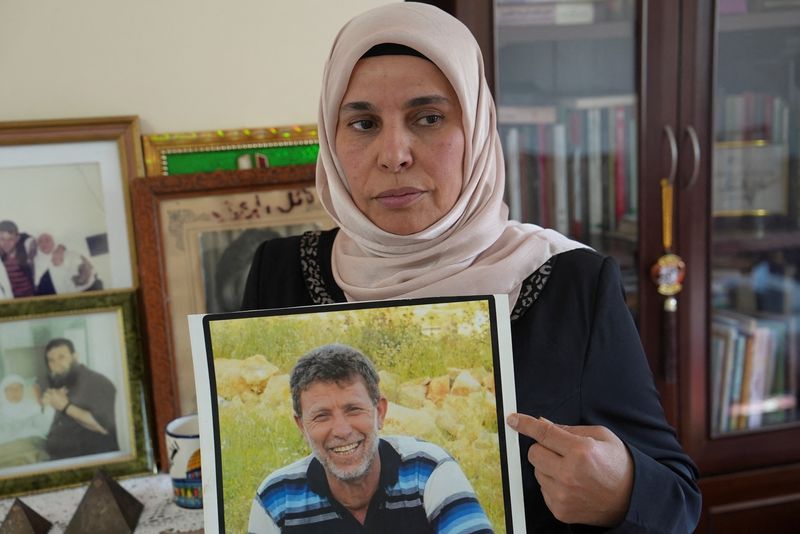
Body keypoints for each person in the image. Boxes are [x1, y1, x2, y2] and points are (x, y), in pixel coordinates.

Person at [241, 3, 701, 532]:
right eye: (363, 122)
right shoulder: (280, 272)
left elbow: (678, 502)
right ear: (330, 136)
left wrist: (622, 490)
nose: (394, 153)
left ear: (478, 129)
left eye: (428, 118)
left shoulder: (571, 281)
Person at [248, 343, 492, 533]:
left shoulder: (428, 471)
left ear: (380, 412)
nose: (342, 430)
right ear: (301, 426)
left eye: (353, 409)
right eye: (322, 416)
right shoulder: (276, 498)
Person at [39, 338, 118, 459]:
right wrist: (48, 407)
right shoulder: (65, 380)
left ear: (75, 357)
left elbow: (105, 428)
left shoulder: (95, 381)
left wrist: (65, 407)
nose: (56, 365)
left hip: (85, 457)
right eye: (51, 360)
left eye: (61, 357)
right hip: (58, 454)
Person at [35, 233, 102, 295]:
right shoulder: (37, 261)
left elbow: (86, 270)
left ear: (53, 242)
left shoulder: (68, 254)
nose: (43, 243)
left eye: (47, 240)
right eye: (40, 241)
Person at [0, 220, 36, 298]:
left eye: (10, 239)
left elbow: (35, 239)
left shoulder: (24, 250)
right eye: (2, 239)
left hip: (31, 296)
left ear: (17, 239)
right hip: (12, 299)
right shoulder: (1, 256)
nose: (6, 243)